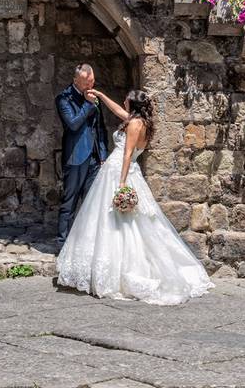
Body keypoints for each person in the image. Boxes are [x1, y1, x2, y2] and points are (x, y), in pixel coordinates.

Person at [55, 88, 214, 305]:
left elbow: (127, 153)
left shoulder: (133, 124)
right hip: (128, 172)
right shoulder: (142, 122)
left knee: (112, 221)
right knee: (133, 222)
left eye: (127, 100)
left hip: (119, 172)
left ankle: (118, 269)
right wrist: (101, 96)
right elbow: (118, 111)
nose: (123, 102)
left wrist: (121, 183)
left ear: (133, 105)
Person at [54, 64, 108, 247]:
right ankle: (63, 245)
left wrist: (103, 154)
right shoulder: (64, 99)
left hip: (94, 158)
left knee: (92, 202)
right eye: (87, 82)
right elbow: (73, 125)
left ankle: (87, 245)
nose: (90, 85)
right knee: (69, 202)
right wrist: (88, 104)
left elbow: (100, 128)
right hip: (76, 157)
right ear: (76, 80)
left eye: (92, 81)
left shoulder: (92, 95)